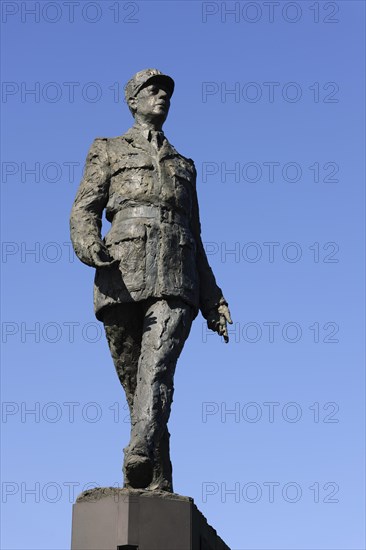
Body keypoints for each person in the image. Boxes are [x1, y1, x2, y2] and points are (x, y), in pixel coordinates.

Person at [70, 68, 232, 492]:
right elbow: (85, 208)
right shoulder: (106, 148)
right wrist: (87, 243)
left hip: (178, 277)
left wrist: (213, 299)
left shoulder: (184, 165)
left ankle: (138, 451)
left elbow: (196, 236)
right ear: (133, 99)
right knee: (136, 386)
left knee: (156, 368)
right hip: (121, 273)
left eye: (166, 91)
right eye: (152, 89)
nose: (161, 95)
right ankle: (159, 478)